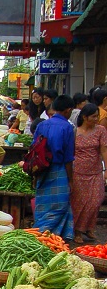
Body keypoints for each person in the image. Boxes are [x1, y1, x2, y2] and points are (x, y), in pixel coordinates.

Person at [33, 94, 75, 239]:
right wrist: (71, 180)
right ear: (68, 110)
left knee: (43, 205)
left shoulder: (41, 125)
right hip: (59, 171)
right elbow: (69, 158)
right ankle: (46, 235)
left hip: (42, 171)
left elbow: (33, 151)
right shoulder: (67, 127)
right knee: (60, 206)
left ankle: (41, 232)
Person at [69, 102, 107, 243]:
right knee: (79, 203)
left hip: (96, 172)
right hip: (78, 173)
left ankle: (89, 227)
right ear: (85, 117)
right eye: (94, 116)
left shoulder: (101, 130)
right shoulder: (74, 132)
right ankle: (78, 231)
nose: (97, 119)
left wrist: (106, 169)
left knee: (96, 201)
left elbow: (104, 150)